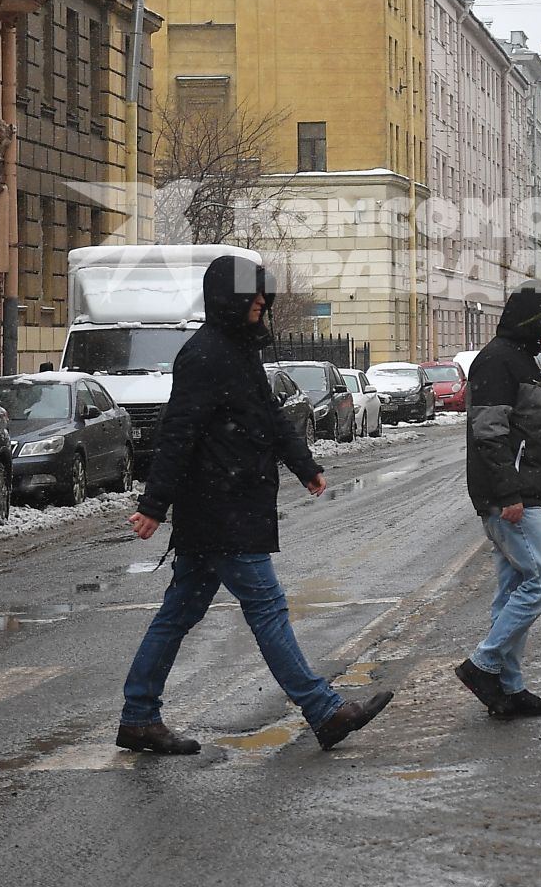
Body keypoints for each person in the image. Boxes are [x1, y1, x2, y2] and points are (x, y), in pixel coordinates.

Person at [116, 255, 392, 754]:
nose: (262, 302)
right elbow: (176, 433)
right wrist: (154, 504)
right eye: (253, 294)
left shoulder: (238, 352)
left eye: (265, 294)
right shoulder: (203, 355)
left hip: (227, 505)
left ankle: (139, 714)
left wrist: (304, 466)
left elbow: (269, 415)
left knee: (178, 613)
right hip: (221, 507)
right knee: (267, 608)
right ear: (229, 298)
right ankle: (323, 710)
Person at [457, 283, 541, 720]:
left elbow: (533, 433)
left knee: (512, 590)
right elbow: (490, 434)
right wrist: (510, 494)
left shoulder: (520, 359)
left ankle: (508, 686)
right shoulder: (499, 360)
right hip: (509, 498)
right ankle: (483, 665)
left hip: (525, 495)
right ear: (532, 321)